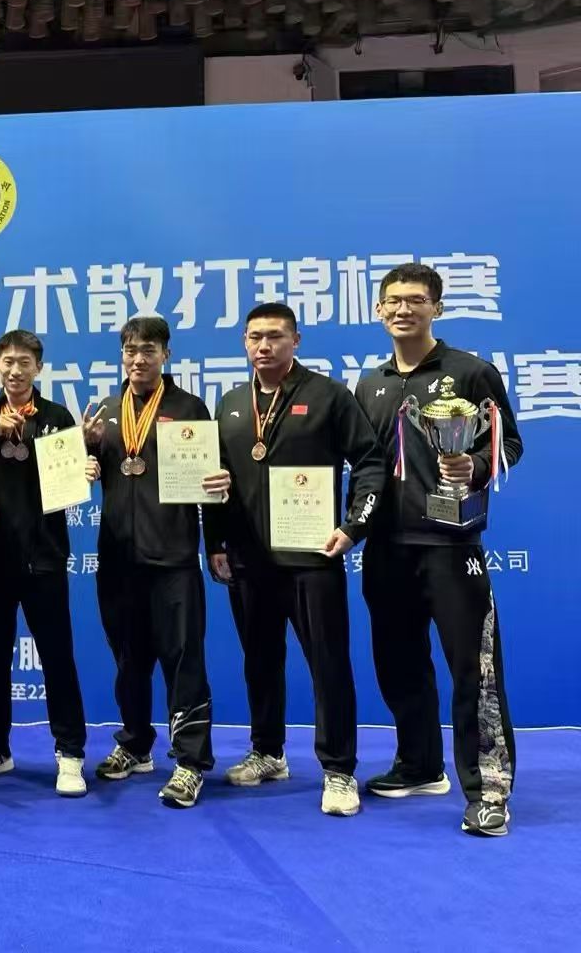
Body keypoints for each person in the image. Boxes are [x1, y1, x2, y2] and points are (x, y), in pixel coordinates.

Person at [355, 262, 521, 837]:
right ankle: (420, 765)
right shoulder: (370, 384)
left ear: (437, 308)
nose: (404, 309)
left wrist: (473, 464)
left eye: (417, 300)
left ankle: (489, 790)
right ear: (378, 309)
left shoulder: (470, 372)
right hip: (386, 548)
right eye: (394, 301)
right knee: (398, 663)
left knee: (474, 670)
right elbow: (366, 463)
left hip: (452, 547)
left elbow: (510, 443)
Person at [209, 302, 386, 818]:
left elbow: (370, 462)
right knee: (260, 662)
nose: (263, 346)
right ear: (244, 342)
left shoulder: (328, 396)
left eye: (275, 336)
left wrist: (353, 526)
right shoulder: (232, 404)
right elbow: (215, 480)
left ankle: (339, 770)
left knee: (328, 666)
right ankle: (268, 752)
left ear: (296, 340)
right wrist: (215, 542)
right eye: (254, 337)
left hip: (312, 557)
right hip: (248, 559)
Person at [82, 316, 229, 808]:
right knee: (128, 659)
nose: (138, 359)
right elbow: (87, 476)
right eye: (130, 350)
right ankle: (135, 744)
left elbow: (211, 484)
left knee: (184, 660)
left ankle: (190, 762)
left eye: (148, 350)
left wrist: (217, 543)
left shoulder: (189, 408)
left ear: (166, 354)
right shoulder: (105, 412)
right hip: (118, 560)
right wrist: (85, 451)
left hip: (173, 559)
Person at [0, 330, 91, 798]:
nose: (15, 370)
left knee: (57, 657)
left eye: (24, 362)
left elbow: (69, 486)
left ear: (38, 368)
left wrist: (84, 462)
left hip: (43, 558)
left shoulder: (56, 418)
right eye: (8, 362)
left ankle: (69, 752)